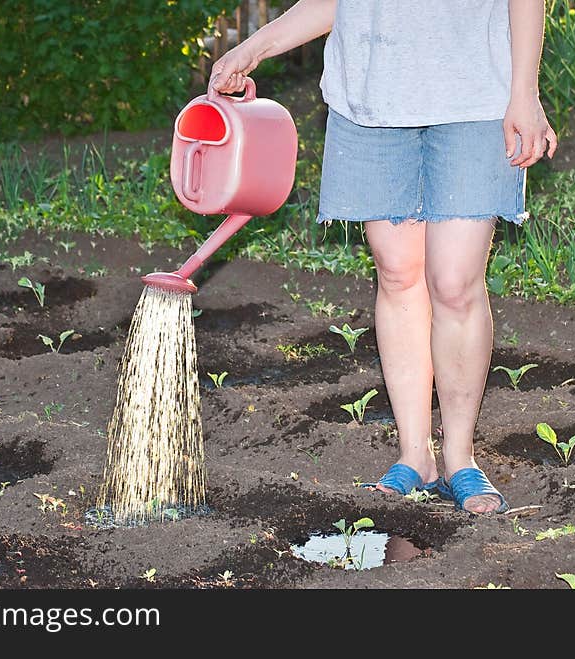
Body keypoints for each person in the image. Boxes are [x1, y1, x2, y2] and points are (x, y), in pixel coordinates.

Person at [210, 0, 557, 514]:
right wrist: (251, 49)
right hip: (371, 99)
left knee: (455, 282)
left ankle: (460, 458)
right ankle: (415, 456)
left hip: (477, 94)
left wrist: (524, 93)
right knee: (398, 275)